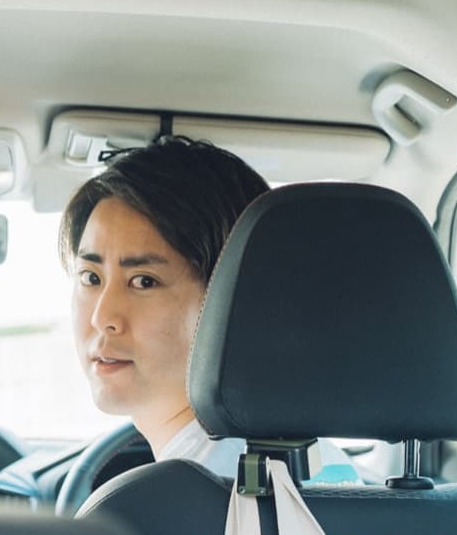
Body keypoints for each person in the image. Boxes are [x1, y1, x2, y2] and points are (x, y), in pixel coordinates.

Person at [61, 136, 355, 480]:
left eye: (144, 281)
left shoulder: (178, 506)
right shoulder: (330, 468)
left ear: (234, 299)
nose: (102, 318)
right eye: (90, 278)